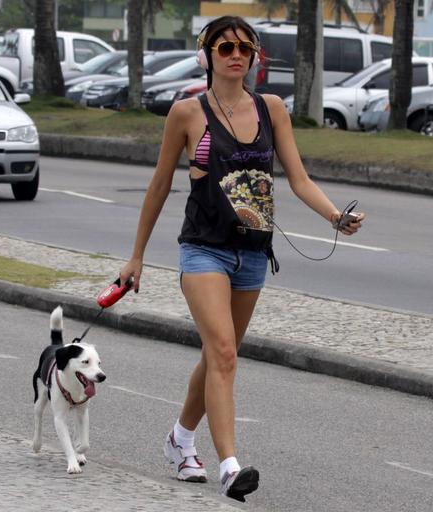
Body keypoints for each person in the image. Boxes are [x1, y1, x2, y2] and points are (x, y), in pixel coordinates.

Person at [118, 15, 365, 502]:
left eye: (245, 49)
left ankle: (180, 439)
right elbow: (160, 185)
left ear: (255, 58)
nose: (236, 55)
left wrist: (335, 217)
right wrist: (136, 257)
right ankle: (231, 467)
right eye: (226, 46)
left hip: (253, 254)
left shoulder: (272, 109)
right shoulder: (188, 113)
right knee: (226, 353)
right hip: (203, 249)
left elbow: (298, 179)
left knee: (217, 355)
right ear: (207, 55)